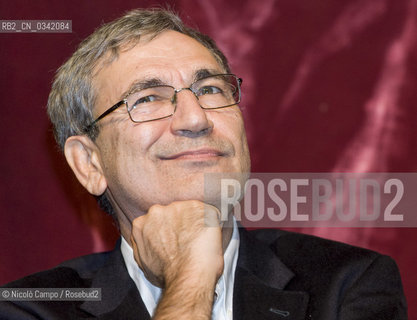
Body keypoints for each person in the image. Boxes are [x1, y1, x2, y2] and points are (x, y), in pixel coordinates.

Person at [0, 8, 407, 320]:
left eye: (210, 89)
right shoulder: (31, 309)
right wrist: (190, 278)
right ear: (88, 162)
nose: (195, 118)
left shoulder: (348, 285)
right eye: (148, 99)